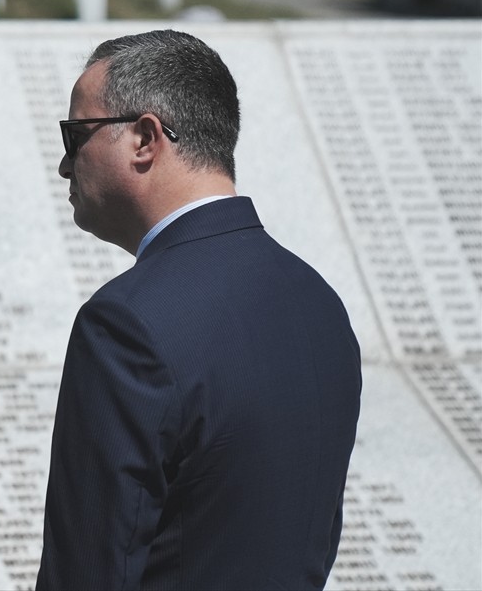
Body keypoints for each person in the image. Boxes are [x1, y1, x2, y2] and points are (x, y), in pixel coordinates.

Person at [37, 29, 361, 589]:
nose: (66, 166)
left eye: (75, 136)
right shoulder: (319, 302)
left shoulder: (125, 324)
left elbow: (89, 570)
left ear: (144, 139)